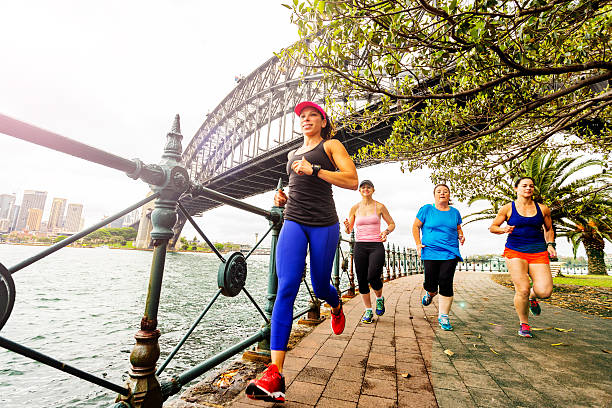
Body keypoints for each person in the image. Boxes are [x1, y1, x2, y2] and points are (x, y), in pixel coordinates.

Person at [246, 101, 358, 402]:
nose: (306, 119)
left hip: (324, 224)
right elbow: (297, 185)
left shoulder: (331, 145)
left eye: (313, 116)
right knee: (286, 289)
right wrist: (281, 198)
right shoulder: (290, 155)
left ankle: (334, 305)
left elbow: (352, 180)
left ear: (323, 122)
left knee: (321, 285)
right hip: (293, 221)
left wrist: (316, 169)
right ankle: (275, 374)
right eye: (302, 116)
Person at [489, 176, 556, 338]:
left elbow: (549, 228)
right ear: (516, 189)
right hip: (515, 251)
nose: (528, 188)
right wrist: (503, 229)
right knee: (523, 288)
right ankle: (524, 323)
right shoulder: (508, 208)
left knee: (545, 291)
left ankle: (533, 297)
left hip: (538, 251)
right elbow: (493, 227)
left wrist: (550, 244)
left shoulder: (543, 209)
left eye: (531, 186)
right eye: (524, 185)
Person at [412, 184, 465, 331]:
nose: (442, 193)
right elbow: (415, 226)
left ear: (449, 195)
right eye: (439, 191)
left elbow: (458, 228)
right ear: (434, 195)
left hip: (450, 252)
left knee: (446, 281)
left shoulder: (455, 212)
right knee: (430, 281)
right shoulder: (426, 209)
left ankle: (444, 316)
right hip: (430, 251)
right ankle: (430, 292)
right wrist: (418, 244)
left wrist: (461, 235)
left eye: (445, 191)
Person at [343, 179, 396, 323]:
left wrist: (385, 232)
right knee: (361, 281)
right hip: (360, 246)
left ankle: (379, 298)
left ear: (373, 190)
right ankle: (368, 311)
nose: (366, 189)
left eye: (368, 187)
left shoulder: (379, 206)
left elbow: (392, 224)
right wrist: (347, 227)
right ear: (359, 191)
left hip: (376, 245)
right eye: (363, 187)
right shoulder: (355, 208)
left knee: (373, 276)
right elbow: (349, 230)